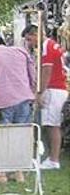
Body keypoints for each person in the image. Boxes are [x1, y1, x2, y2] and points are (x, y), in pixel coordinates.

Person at [24, 25, 67, 169]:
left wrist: (39, 92)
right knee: (49, 124)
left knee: (52, 125)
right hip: (55, 88)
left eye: (30, 39)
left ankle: (53, 159)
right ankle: (51, 156)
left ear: (36, 34)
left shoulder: (47, 47)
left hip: (54, 89)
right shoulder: (51, 46)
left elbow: (46, 72)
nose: (30, 43)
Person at [0, 34, 36, 124]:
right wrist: (32, 92)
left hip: (2, 102)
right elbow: (32, 76)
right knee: (23, 133)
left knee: (3, 135)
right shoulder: (21, 52)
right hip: (24, 98)